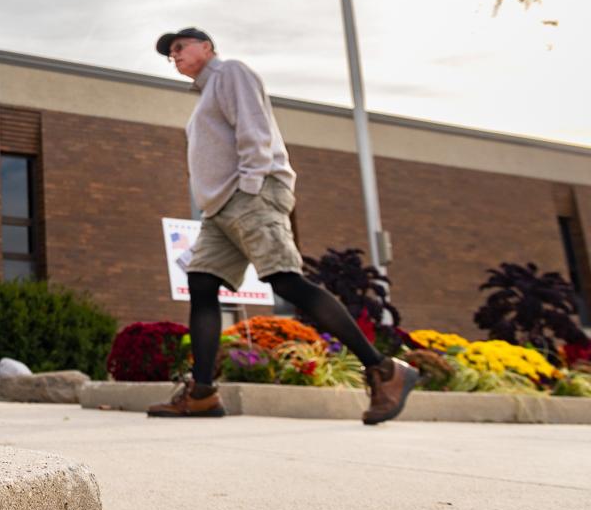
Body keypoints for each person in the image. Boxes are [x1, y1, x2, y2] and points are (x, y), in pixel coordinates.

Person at [146, 27, 418, 425]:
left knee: (285, 280)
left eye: (180, 47)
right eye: (170, 53)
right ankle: (202, 393)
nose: (176, 56)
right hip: (221, 209)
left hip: (249, 194)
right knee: (202, 286)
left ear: (207, 47)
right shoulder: (206, 95)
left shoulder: (229, 73)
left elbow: (253, 130)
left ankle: (383, 369)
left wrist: (253, 185)